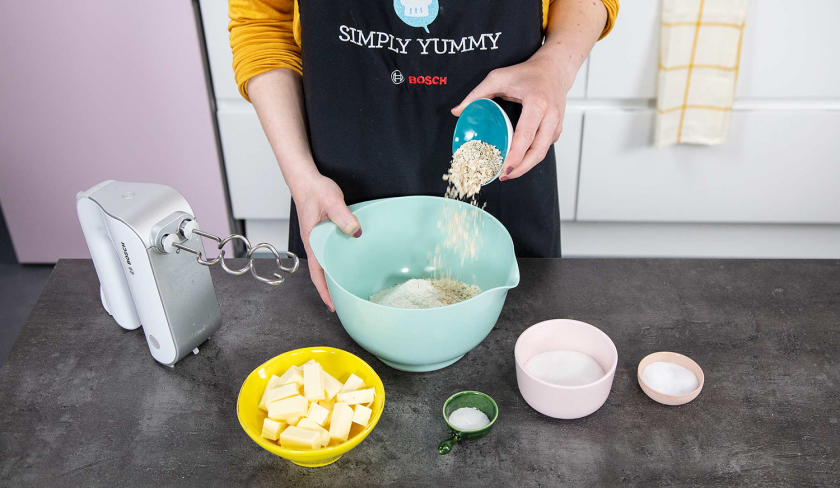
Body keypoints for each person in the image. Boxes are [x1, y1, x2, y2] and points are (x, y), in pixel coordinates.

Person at [229, 0, 619, 310]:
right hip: (340, 178)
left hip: (500, 159)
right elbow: (262, 24)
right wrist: (300, 175)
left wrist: (555, 64)